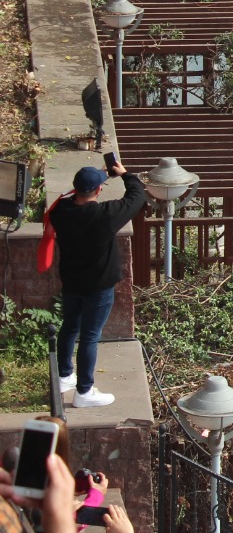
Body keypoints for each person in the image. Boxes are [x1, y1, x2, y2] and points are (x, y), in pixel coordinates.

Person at [50, 161, 147, 407]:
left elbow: (68, 197)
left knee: (70, 327)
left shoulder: (60, 211)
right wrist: (124, 174)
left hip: (72, 282)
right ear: (98, 191)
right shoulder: (105, 215)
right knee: (90, 336)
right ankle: (84, 391)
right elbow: (136, 197)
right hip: (99, 286)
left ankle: (63, 376)